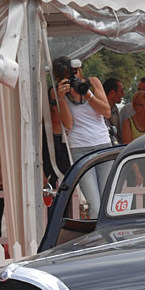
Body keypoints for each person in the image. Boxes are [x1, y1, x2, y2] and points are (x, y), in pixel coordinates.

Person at [53, 56, 113, 214]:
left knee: (107, 200)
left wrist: (87, 94)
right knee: (94, 202)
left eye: (74, 74)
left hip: (103, 145)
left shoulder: (93, 83)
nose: (72, 79)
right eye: (66, 77)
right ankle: (97, 237)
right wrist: (61, 98)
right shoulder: (59, 93)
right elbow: (68, 124)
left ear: (79, 70)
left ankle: (105, 236)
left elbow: (106, 112)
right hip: (80, 149)